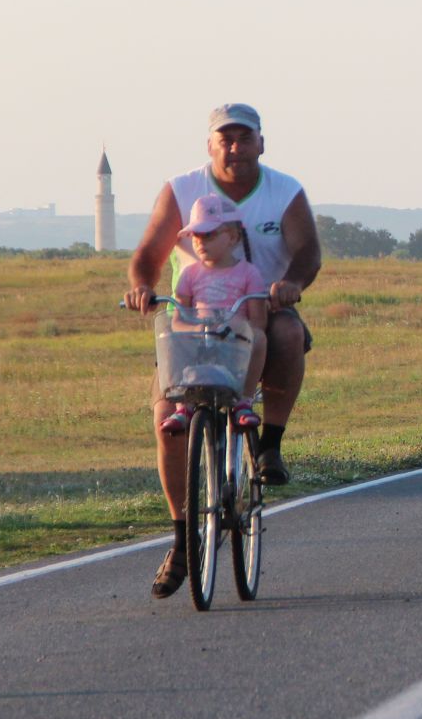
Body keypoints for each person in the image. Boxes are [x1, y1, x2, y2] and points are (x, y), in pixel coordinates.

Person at [125, 103, 321, 599]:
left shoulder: (284, 191)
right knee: (166, 418)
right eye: (224, 139)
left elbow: (307, 252)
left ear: (261, 142)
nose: (234, 148)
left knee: (287, 336)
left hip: (259, 304)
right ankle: (181, 538)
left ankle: (269, 443)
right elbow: (148, 254)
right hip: (193, 321)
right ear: (209, 146)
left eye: (243, 138)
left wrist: (291, 285)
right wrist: (142, 290)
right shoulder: (181, 190)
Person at [160, 194, 270, 436]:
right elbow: (178, 319)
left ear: (232, 237)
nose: (200, 242)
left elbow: (258, 321)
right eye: (196, 236)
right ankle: (182, 406)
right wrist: (193, 330)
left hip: (235, 343)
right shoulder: (189, 275)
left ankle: (244, 401)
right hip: (200, 340)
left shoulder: (249, 274)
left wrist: (236, 327)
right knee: (169, 335)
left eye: (209, 235)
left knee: (260, 337)